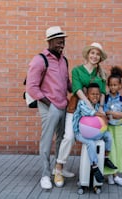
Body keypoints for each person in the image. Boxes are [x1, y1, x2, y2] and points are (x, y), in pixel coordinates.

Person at [54, 42, 108, 186]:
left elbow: (102, 92)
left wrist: (101, 108)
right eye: (92, 53)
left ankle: (97, 167)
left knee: (101, 137)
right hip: (77, 109)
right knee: (69, 137)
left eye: (97, 54)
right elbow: (77, 89)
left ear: (100, 57)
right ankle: (58, 168)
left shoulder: (102, 74)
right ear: (87, 54)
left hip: (94, 112)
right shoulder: (77, 70)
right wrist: (89, 105)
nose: (94, 56)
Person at [26, 26, 72, 190]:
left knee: (62, 138)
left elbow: (67, 84)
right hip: (49, 105)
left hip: (64, 104)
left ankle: (58, 168)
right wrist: (49, 103)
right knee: (47, 141)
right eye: (59, 42)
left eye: (63, 42)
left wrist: (80, 91)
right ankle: (45, 175)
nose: (62, 45)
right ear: (50, 41)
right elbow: (31, 87)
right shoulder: (40, 60)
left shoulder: (64, 60)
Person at [73, 83, 118, 182]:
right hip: (80, 133)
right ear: (87, 95)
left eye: (97, 94)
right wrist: (102, 116)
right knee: (90, 143)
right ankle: (94, 166)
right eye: (93, 94)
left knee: (108, 136)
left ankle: (106, 158)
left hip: (94, 133)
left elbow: (102, 120)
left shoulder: (98, 106)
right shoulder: (82, 103)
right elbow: (89, 113)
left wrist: (107, 118)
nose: (95, 96)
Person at [103, 66, 122, 186]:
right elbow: (104, 110)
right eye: (110, 85)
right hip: (109, 127)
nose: (113, 87)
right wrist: (111, 113)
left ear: (120, 86)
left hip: (119, 129)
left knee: (119, 150)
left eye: (115, 85)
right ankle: (112, 175)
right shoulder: (105, 99)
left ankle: (115, 173)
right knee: (111, 151)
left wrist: (121, 114)